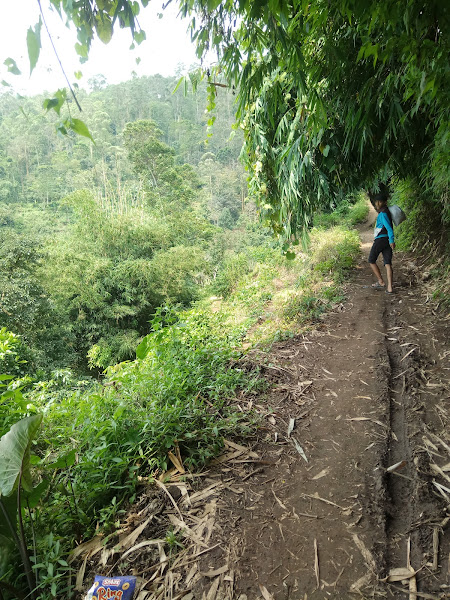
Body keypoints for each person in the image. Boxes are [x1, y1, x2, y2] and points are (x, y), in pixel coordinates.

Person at [368, 188, 395, 293]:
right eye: (376, 202)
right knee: (388, 263)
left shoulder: (383, 214)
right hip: (387, 240)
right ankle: (390, 288)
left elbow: (388, 227)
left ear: (382, 202)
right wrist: (390, 240)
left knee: (371, 260)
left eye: (378, 202)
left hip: (381, 239)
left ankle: (381, 281)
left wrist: (392, 240)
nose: (377, 203)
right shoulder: (387, 212)